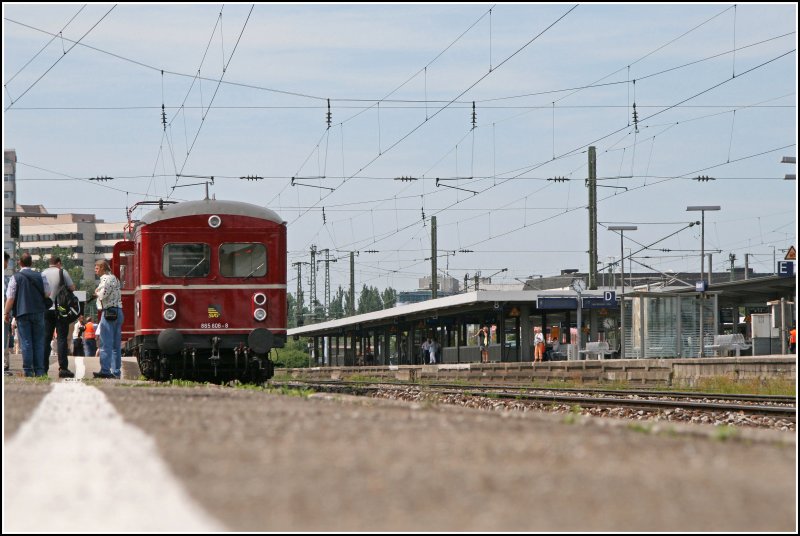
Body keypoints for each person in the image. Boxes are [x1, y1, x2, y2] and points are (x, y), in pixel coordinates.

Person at [4, 252, 50, 377]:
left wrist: (6, 312)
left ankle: (28, 371)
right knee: (39, 342)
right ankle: (40, 370)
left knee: (26, 342)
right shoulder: (41, 276)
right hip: (39, 312)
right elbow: (48, 293)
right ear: (32, 263)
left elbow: (10, 298)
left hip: (22, 312)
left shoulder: (16, 277)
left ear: (20, 262)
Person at [42, 256, 77, 377]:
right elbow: (72, 288)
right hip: (61, 310)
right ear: (59, 263)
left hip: (46, 310)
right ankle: (63, 368)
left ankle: (43, 368)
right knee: (61, 339)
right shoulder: (62, 271)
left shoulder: (43, 273)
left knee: (46, 339)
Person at [94, 259, 123, 379]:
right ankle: (116, 372)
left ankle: (105, 370)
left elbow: (102, 295)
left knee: (105, 343)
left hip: (109, 312)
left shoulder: (106, 279)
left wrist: (96, 292)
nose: (95, 270)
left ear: (102, 268)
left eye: (96, 268)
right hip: (118, 311)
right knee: (116, 345)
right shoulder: (114, 278)